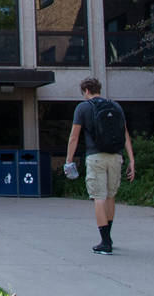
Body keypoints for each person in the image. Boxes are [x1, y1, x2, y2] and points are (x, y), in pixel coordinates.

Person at [64, 77, 135, 255]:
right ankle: (109, 237)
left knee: (98, 197)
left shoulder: (83, 108)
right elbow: (125, 133)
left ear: (86, 91)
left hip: (95, 156)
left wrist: (69, 160)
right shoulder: (116, 106)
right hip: (116, 157)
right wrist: (131, 160)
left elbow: (74, 137)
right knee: (110, 196)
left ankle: (104, 242)